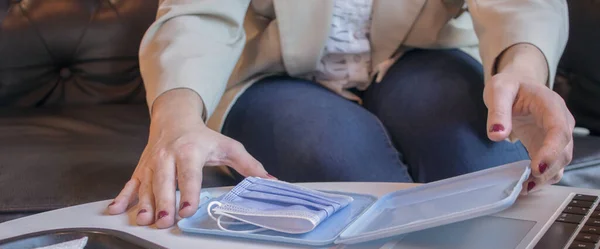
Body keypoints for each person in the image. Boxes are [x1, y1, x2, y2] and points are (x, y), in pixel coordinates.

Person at [107, 0, 574, 229]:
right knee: (345, 177)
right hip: (274, 73)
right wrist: (177, 118)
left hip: (417, 54)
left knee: (485, 169)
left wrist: (524, 70)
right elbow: (197, 13)